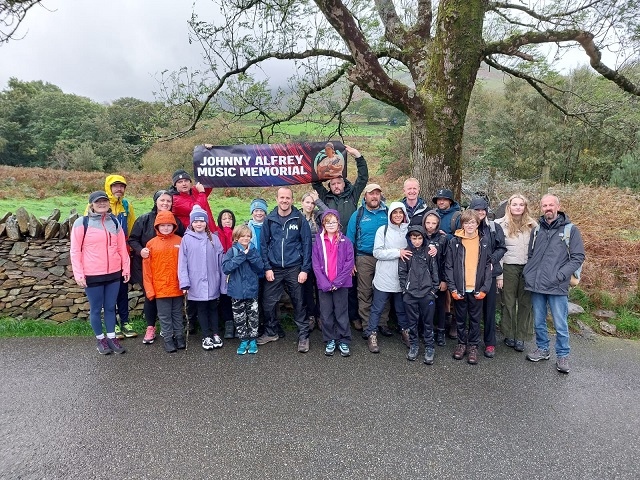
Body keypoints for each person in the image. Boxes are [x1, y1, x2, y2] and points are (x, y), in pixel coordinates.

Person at [523, 194, 585, 374]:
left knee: (560, 323)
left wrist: (562, 275)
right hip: (536, 284)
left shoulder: (570, 230)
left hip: (558, 285)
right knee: (538, 321)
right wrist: (528, 272)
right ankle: (542, 349)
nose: (547, 208)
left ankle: (563, 355)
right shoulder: (537, 230)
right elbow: (531, 255)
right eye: (544, 205)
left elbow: (578, 256)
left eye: (551, 205)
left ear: (558, 206)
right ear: (541, 207)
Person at [313, 145, 368, 330]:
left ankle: (353, 317)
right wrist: (321, 160)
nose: (336, 186)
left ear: (344, 183)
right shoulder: (325, 197)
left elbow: (363, 178)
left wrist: (357, 156)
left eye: (339, 183)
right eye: (333, 183)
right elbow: (314, 182)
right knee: (325, 285)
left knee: (349, 284)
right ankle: (325, 317)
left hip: (348, 247)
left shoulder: (352, 196)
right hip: (328, 248)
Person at [71, 191, 130, 355]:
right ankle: (100, 339)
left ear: (108, 203)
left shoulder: (115, 222)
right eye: (98, 202)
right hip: (92, 274)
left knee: (111, 308)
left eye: (104, 201)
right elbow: (75, 251)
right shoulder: (82, 223)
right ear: (91, 204)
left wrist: (126, 268)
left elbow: (121, 248)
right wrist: (79, 274)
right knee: (96, 309)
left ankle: (112, 338)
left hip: (114, 273)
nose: (102, 204)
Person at [257, 187, 313, 353]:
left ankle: (303, 336)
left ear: (292, 200)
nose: (284, 200)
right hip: (274, 268)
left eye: (287, 198)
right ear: (277, 199)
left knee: (299, 302)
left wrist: (305, 269)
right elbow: (263, 245)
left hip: (294, 267)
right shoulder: (269, 220)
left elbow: (307, 244)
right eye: (282, 197)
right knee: (268, 303)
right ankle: (272, 331)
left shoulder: (299, 219)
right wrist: (267, 267)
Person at [128, 190, 186, 344]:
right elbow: (132, 239)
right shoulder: (144, 220)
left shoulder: (176, 221)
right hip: (146, 265)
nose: (165, 203)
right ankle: (150, 327)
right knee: (150, 296)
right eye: (162, 200)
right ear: (156, 201)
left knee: (172, 303)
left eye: (168, 201)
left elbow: (183, 240)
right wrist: (141, 251)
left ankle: (174, 331)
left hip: (169, 267)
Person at [92, 175, 137, 340]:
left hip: (122, 253)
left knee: (123, 289)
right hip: (104, 256)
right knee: (108, 292)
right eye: (115, 186)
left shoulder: (126, 205)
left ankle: (125, 321)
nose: (119, 189)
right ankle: (113, 324)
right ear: (108, 188)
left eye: (122, 186)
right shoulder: (99, 204)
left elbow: (131, 228)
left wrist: (131, 249)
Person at [361, 202, 410, 354]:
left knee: (401, 309)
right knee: (377, 308)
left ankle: (404, 331)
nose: (397, 215)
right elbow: (377, 252)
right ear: (390, 215)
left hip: (402, 277)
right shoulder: (383, 230)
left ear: (404, 214)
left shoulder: (408, 230)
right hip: (384, 276)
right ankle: (372, 333)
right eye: (394, 212)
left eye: (400, 212)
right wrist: (397, 252)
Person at [445, 209, 492, 365]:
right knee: (459, 319)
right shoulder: (455, 241)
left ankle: (473, 346)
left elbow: (487, 266)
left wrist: (485, 288)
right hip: (460, 288)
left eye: (473, 222)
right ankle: (461, 344)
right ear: (462, 224)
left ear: (477, 224)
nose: (470, 225)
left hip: (477, 288)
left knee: (474, 319)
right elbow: (449, 266)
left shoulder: (484, 241)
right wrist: (452, 288)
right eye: (467, 222)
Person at [178, 205, 227, 351]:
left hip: (213, 280)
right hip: (195, 282)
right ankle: (206, 335)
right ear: (191, 223)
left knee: (213, 307)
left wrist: (223, 282)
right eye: (196, 221)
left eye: (201, 221)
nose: (199, 224)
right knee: (202, 309)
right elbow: (182, 263)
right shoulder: (186, 240)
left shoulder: (214, 239)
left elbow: (221, 262)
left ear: (206, 222)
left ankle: (216, 333)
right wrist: (184, 282)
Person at [346, 184, 390, 337]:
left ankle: (382, 323)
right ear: (365, 196)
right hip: (364, 257)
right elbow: (350, 240)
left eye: (377, 193)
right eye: (371, 194)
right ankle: (367, 325)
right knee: (364, 292)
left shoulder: (388, 213)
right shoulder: (358, 215)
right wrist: (350, 262)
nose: (374, 196)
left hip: (385, 258)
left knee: (383, 291)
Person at [495, 194, 537, 353]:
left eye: (521, 205)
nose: (518, 207)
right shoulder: (500, 224)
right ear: (509, 206)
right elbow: (498, 250)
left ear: (525, 207)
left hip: (527, 268)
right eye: (514, 204)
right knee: (509, 302)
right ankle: (509, 334)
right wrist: (499, 276)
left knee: (526, 303)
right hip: (508, 267)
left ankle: (521, 336)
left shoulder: (533, 225)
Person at [467, 197, 507, 358]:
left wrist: (491, 260)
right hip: (471, 275)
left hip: (489, 274)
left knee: (489, 309)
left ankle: (490, 343)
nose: (480, 212)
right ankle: (473, 342)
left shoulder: (493, 228)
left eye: (483, 209)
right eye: (477, 209)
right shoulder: (468, 226)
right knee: (473, 310)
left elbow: (502, 247)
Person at [312, 209, 355, 357]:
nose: (331, 224)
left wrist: (338, 281)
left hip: (341, 284)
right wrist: (323, 281)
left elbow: (349, 263)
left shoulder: (346, 241)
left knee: (341, 313)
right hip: (324, 284)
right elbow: (316, 264)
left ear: (338, 223)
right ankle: (329, 339)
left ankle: (343, 339)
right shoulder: (318, 241)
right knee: (326, 314)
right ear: (323, 224)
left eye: (333, 222)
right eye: (327, 222)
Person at [142, 211, 184, 353]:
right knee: (164, 316)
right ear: (157, 226)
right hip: (160, 287)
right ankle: (168, 339)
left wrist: (185, 284)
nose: (166, 228)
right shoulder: (151, 244)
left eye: (169, 225)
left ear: (174, 226)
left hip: (177, 286)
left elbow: (185, 265)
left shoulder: (180, 241)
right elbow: (146, 270)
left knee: (177, 314)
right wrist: (149, 290)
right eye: (163, 225)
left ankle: (179, 337)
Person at [399, 225, 440, 363]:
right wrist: (405, 291)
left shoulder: (429, 253)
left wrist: (433, 290)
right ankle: (414, 345)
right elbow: (402, 273)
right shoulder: (406, 253)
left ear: (423, 238)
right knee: (412, 323)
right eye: (414, 238)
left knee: (428, 323)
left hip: (427, 294)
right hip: (410, 295)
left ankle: (429, 347)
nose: (416, 241)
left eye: (419, 238)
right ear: (409, 238)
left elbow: (435, 272)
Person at [222, 224, 264, 355]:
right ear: (236, 237)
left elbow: (260, 267)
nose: (246, 238)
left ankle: (253, 339)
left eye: (248, 236)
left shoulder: (253, 250)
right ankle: (243, 339)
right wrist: (241, 256)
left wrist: (250, 255)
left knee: (253, 317)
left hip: (251, 290)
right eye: (243, 236)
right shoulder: (232, 251)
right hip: (237, 291)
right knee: (239, 317)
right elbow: (226, 268)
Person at [432, 187, 462, 339]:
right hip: (437, 258)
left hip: (454, 257)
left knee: (454, 291)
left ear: (450, 201)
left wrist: (446, 236)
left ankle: (456, 322)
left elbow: (462, 236)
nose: (441, 201)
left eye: (444, 199)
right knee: (440, 292)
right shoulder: (433, 214)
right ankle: (442, 321)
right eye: (439, 199)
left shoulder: (457, 216)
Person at [301, 191, 329, 331]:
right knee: (307, 289)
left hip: (319, 258)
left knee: (320, 288)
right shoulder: (297, 217)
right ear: (302, 203)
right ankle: (311, 315)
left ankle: (320, 316)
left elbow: (330, 213)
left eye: (312, 203)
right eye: (307, 202)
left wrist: (318, 200)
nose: (310, 205)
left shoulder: (318, 216)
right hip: (304, 259)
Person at [422, 210, 449, 346]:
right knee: (426, 305)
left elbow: (446, 260)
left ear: (438, 224)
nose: (430, 226)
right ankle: (428, 330)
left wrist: (444, 279)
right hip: (424, 279)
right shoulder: (420, 237)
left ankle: (441, 331)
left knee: (440, 305)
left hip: (439, 278)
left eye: (434, 223)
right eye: (428, 222)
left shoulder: (443, 238)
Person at [169, 169, 218, 234]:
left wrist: (210, 168)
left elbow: (209, 183)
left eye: (186, 181)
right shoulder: (174, 200)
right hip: (194, 235)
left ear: (190, 182)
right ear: (175, 185)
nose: (184, 184)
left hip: (210, 230)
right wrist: (202, 193)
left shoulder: (195, 190)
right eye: (180, 182)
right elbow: (196, 208)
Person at [217, 209, 236, 339]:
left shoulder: (237, 234)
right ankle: (228, 323)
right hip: (221, 270)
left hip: (235, 270)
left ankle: (238, 323)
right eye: (224, 219)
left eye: (230, 218)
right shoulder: (216, 235)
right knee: (224, 298)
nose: (227, 221)